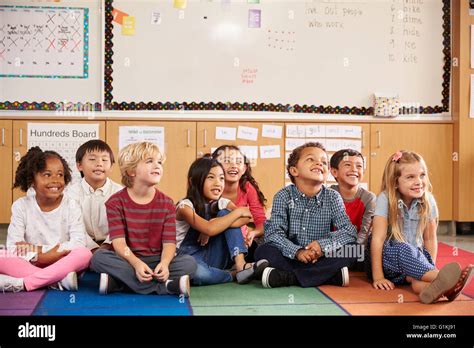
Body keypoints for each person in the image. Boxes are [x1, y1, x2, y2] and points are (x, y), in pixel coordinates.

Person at [90, 142, 196, 297]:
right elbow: (119, 243)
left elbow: (169, 243)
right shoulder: (115, 203)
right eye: (149, 161)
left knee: (190, 264)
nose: (157, 166)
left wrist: (165, 264)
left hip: (157, 259)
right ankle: (165, 287)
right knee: (98, 258)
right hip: (128, 259)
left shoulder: (167, 203)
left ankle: (120, 283)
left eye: (159, 162)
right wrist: (136, 264)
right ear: (131, 171)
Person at [368, 150, 473, 304]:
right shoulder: (385, 198)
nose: (418, 181)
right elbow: (378, 239)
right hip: (388, 260)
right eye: (410, 177)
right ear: (395, 182)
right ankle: (443, 277)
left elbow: (430, 239)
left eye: (422, 175)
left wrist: (428, 267)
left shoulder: (428, 200)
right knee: (404, 248)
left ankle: (438, 290)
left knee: (416, 279)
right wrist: (378, 276)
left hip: (413, 261)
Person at [255, 142, 358, 288]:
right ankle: (328, 277)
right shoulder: (283, 196)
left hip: (321, 257)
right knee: (263, 251)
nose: (319, 163)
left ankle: (287, 278)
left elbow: (349, 231)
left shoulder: (333, 197)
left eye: (324, 162)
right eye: (311, 159)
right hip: (289, 255)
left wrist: (322, 247)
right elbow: (273, 233)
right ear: (294, 171)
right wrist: (297, 251)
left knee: (353, 249)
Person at [0, 147, 92, 292]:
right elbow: (13, 246)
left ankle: (24, 283)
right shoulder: (21, 206)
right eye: (47, 175)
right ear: (32, 180)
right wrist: (39, 256)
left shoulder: (71, 205)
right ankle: (57, 282)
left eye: (60, 174)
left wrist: (45, 252)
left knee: (84, 254)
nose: (55, 180)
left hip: (62, 262)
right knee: (2, 254)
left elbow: (79, 242)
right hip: (32, 262)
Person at [176, 156, 269, 286]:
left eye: (221, 178)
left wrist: (216, 222)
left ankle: (240, 264)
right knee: (198, 273)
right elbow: (210, 228)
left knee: (226, 213)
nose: (218, 183)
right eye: (211, 177)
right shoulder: (184, 207)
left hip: (215, 256)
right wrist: (211, 226)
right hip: (190, 259)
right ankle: (233, 274)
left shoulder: (222, 203)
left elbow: (247, 216)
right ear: (193, 181)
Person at [212, 145, 267, 261]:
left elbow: (261, 221)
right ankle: (238, 267)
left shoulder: (247, 188)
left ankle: (241, 264)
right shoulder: (210, 188)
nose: (233, 165)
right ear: (214, 167)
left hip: (242, 244)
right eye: (227, 161)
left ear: (244, 169)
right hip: (214, 243)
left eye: (238, 162)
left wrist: (254, 233)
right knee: (224, 213)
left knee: (266, 246)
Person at [66, 139, 122, 251]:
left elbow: (121, 226)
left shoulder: (120, 193)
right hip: (81, 246)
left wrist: (106, 246)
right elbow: (74, 227)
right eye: (92, 159)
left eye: (105, 159)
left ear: (111, 166)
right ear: (79, 165)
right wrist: (92, 249)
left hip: (113, 246)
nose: (99, 164)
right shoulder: (70, 194)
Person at [330, 149, 376, 271]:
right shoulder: (328, 194)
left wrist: (353, 249)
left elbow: (364, 233)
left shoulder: (368, 198)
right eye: (348, 165)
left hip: (358, 248)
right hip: (332, 246)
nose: (354, 169)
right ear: (334, 171)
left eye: (359, 166)